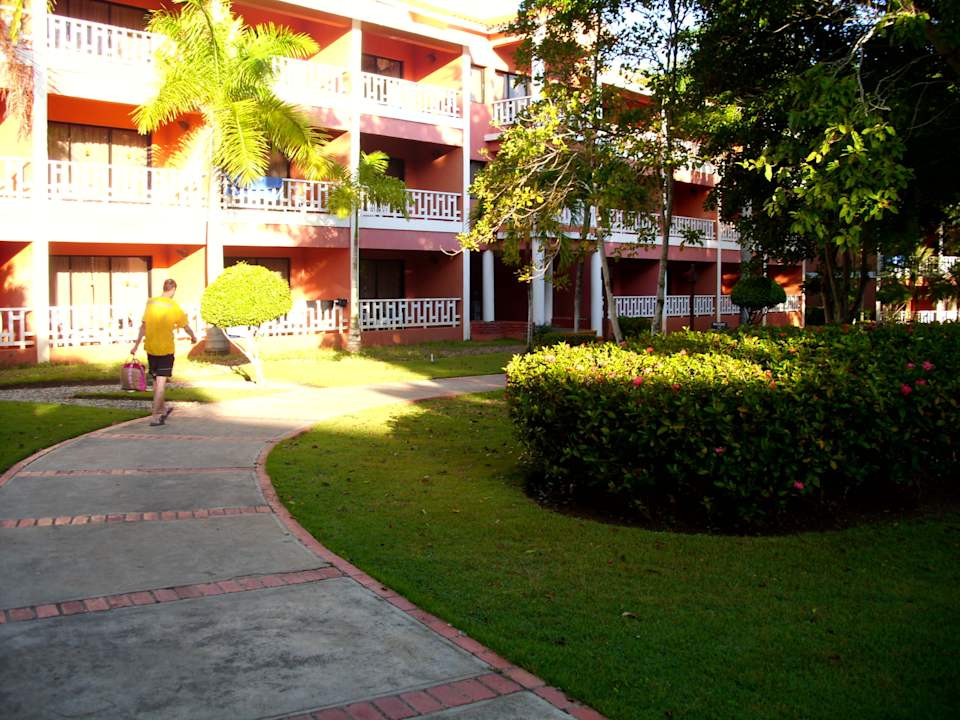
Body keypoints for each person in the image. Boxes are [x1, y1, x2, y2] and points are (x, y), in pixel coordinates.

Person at [131, 279, 197, 426]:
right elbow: (185, 326)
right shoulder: (173, 306)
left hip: (151, 348)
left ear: (164, 288)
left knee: (155, 381)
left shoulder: (151, 303)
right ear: (173, 290)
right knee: (161, 384)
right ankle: (155, 416)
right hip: (165, 349)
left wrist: (136, 345)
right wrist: (193, 337)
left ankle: (161, 409)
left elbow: (143, 326)